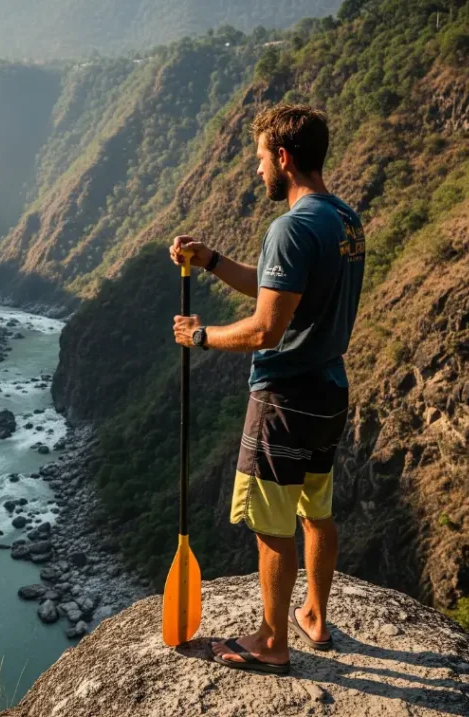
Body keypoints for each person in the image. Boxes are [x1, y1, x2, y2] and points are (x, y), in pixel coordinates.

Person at [170, 103, 366, 674]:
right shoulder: (345, 221)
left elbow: (265, 327)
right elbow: (278, 290)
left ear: (283, 158)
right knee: (316, 511)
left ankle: (272, 642)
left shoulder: (290, 227)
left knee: (271, 525)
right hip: (330, 388)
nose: (257, 171)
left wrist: (201, 336)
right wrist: (210, 262)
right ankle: (315, 616)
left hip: (284, 398)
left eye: (260, 159)